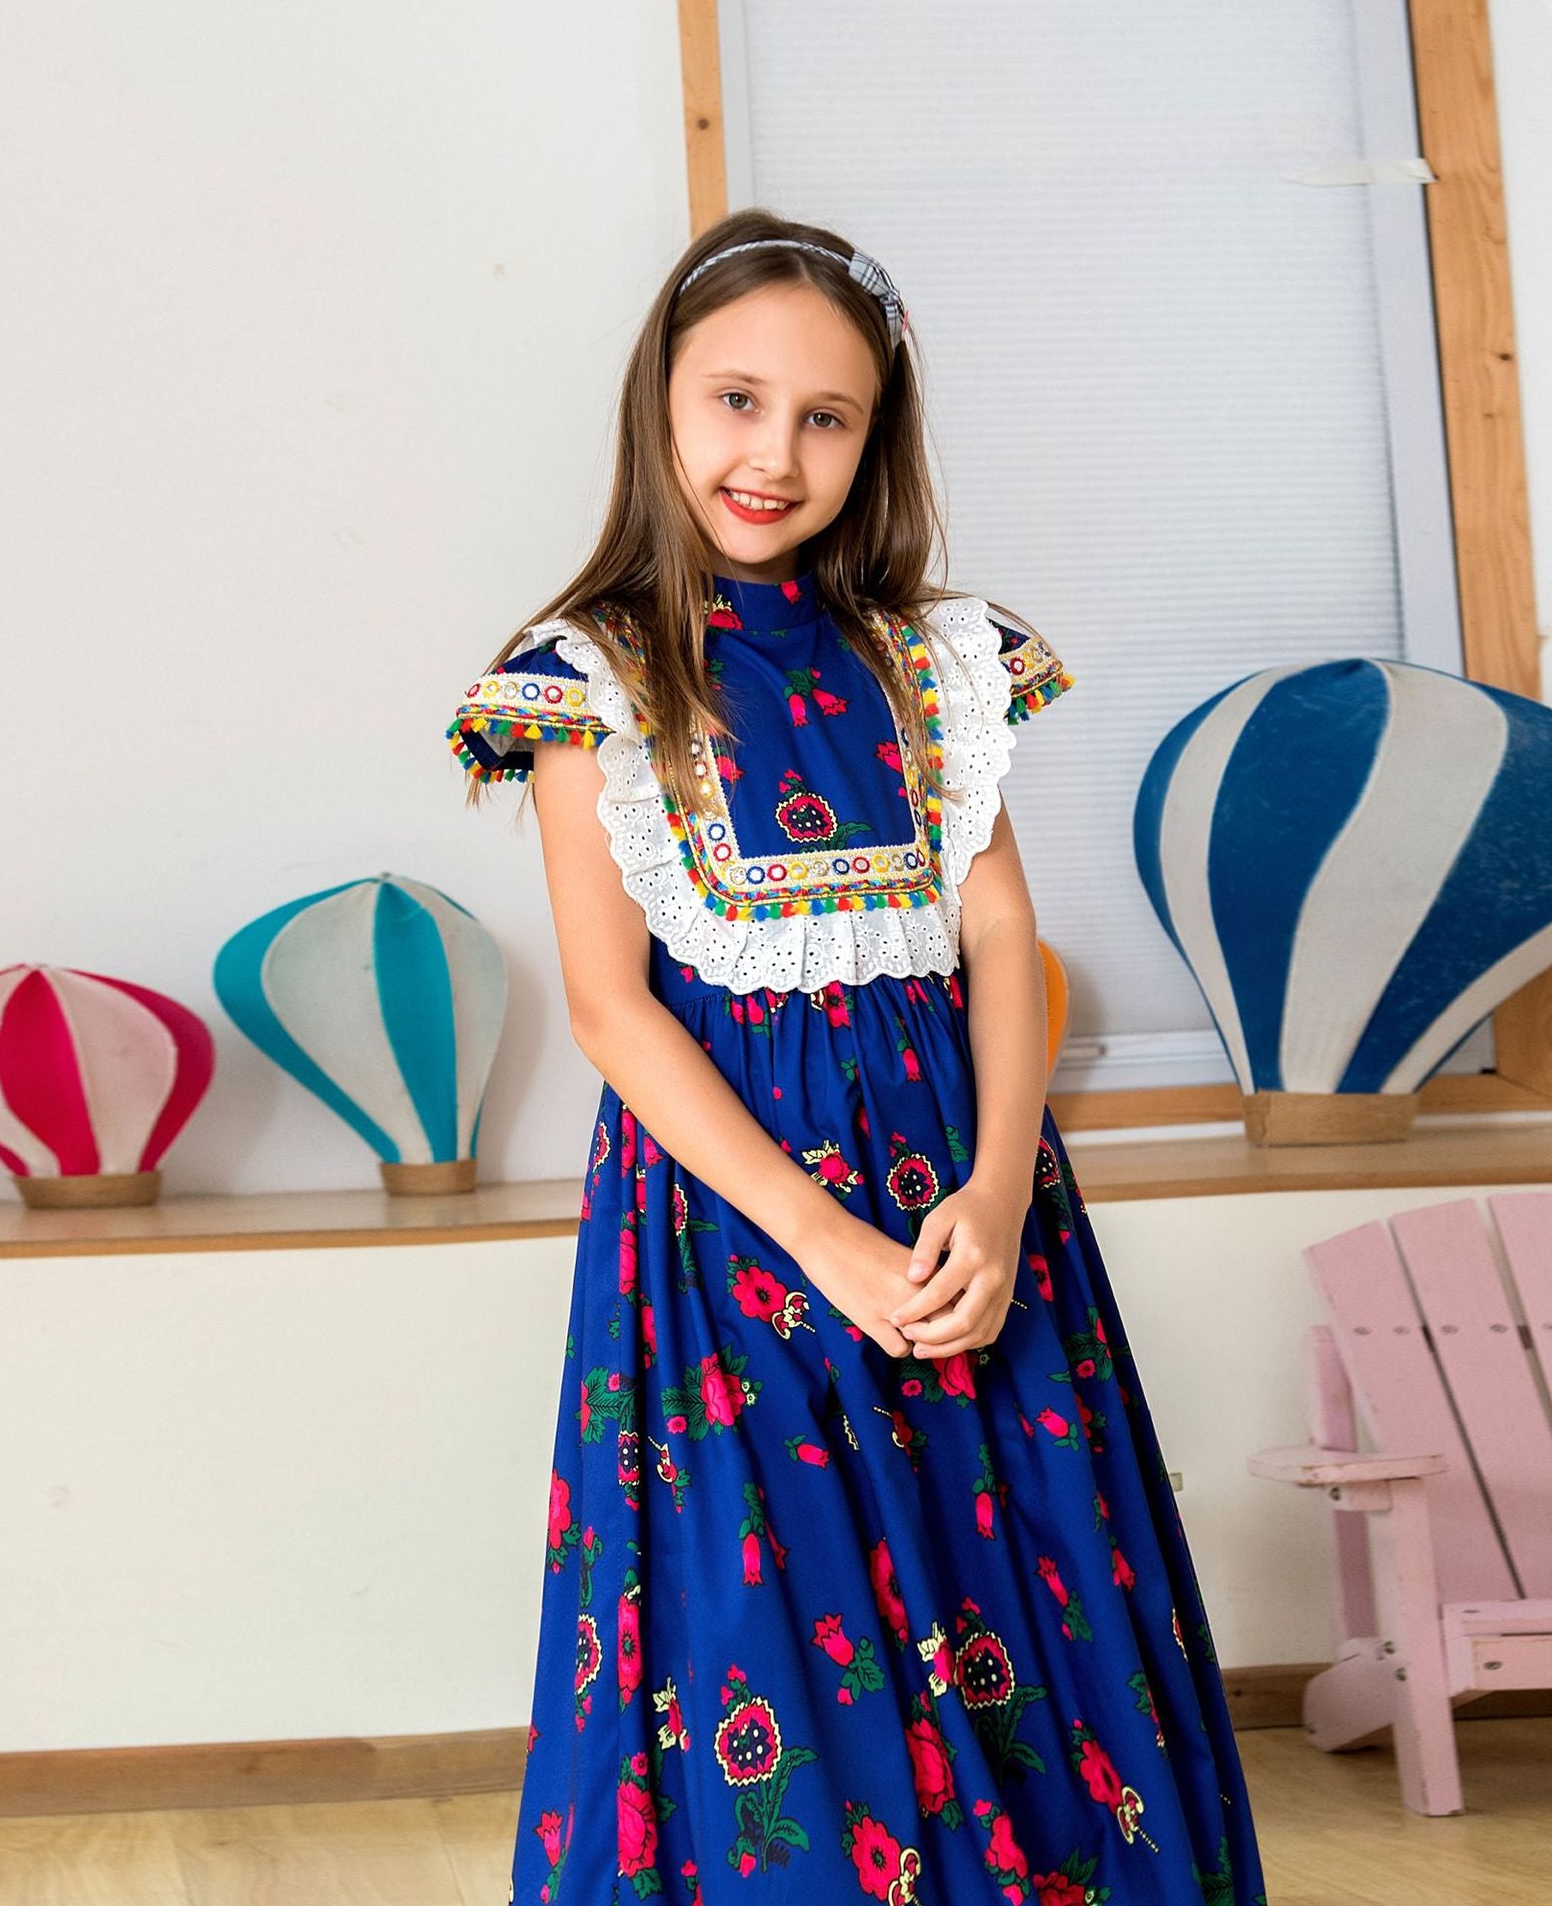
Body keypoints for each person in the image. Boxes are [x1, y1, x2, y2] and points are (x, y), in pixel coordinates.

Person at [444, 205, 1268, 1906]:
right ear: (661, 404)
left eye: (826, 417)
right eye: (737, 402)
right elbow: (612, 1011)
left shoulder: (932, 660)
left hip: (970, 1203)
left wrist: (997, 1192)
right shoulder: (587, 682)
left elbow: (1001, 941)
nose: (776, 454)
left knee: (1026, 1588)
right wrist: (820, 1240)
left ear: (874, 439)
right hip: (735, 1233)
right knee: (775, 1636)